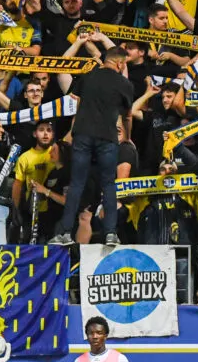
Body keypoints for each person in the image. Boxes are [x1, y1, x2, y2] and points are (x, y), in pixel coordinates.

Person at [48, 46, 134, 246]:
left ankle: (65, 234)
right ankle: (111, 233)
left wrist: (73, 129)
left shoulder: (87, 77)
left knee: (77, 183)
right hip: (107, 137)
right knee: (108, 184)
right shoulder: (125, 84)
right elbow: (128, 116)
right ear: (120, 63)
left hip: (83, 135)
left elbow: (76, 103)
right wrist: (127, 137)